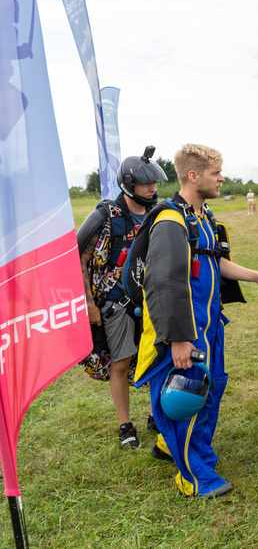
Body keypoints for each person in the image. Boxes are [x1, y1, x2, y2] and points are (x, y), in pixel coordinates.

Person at [134, 144, 258, 498]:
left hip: (210, 325)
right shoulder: (171, 220)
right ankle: (193, 476)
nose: (222, 178)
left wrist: (253, 275)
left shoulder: (204, 216)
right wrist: (180, 338)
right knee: (185, 397)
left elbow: (214, 261)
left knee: (209, 389)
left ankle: (177, 448)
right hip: (184, 330)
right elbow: (166, 282)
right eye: (216, 173)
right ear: (193, 175)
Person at [77, 147, 168, 449]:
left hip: (153, 302)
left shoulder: (160, 215)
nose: (152, 188)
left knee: (158, 359)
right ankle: (124, 424)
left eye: (155, 183)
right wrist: (89, 303)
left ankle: (157, 413)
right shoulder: (105, 216)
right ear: (129, 184)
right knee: (120, 362)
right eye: (146, 183)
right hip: (116, 305)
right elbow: (79, 258)